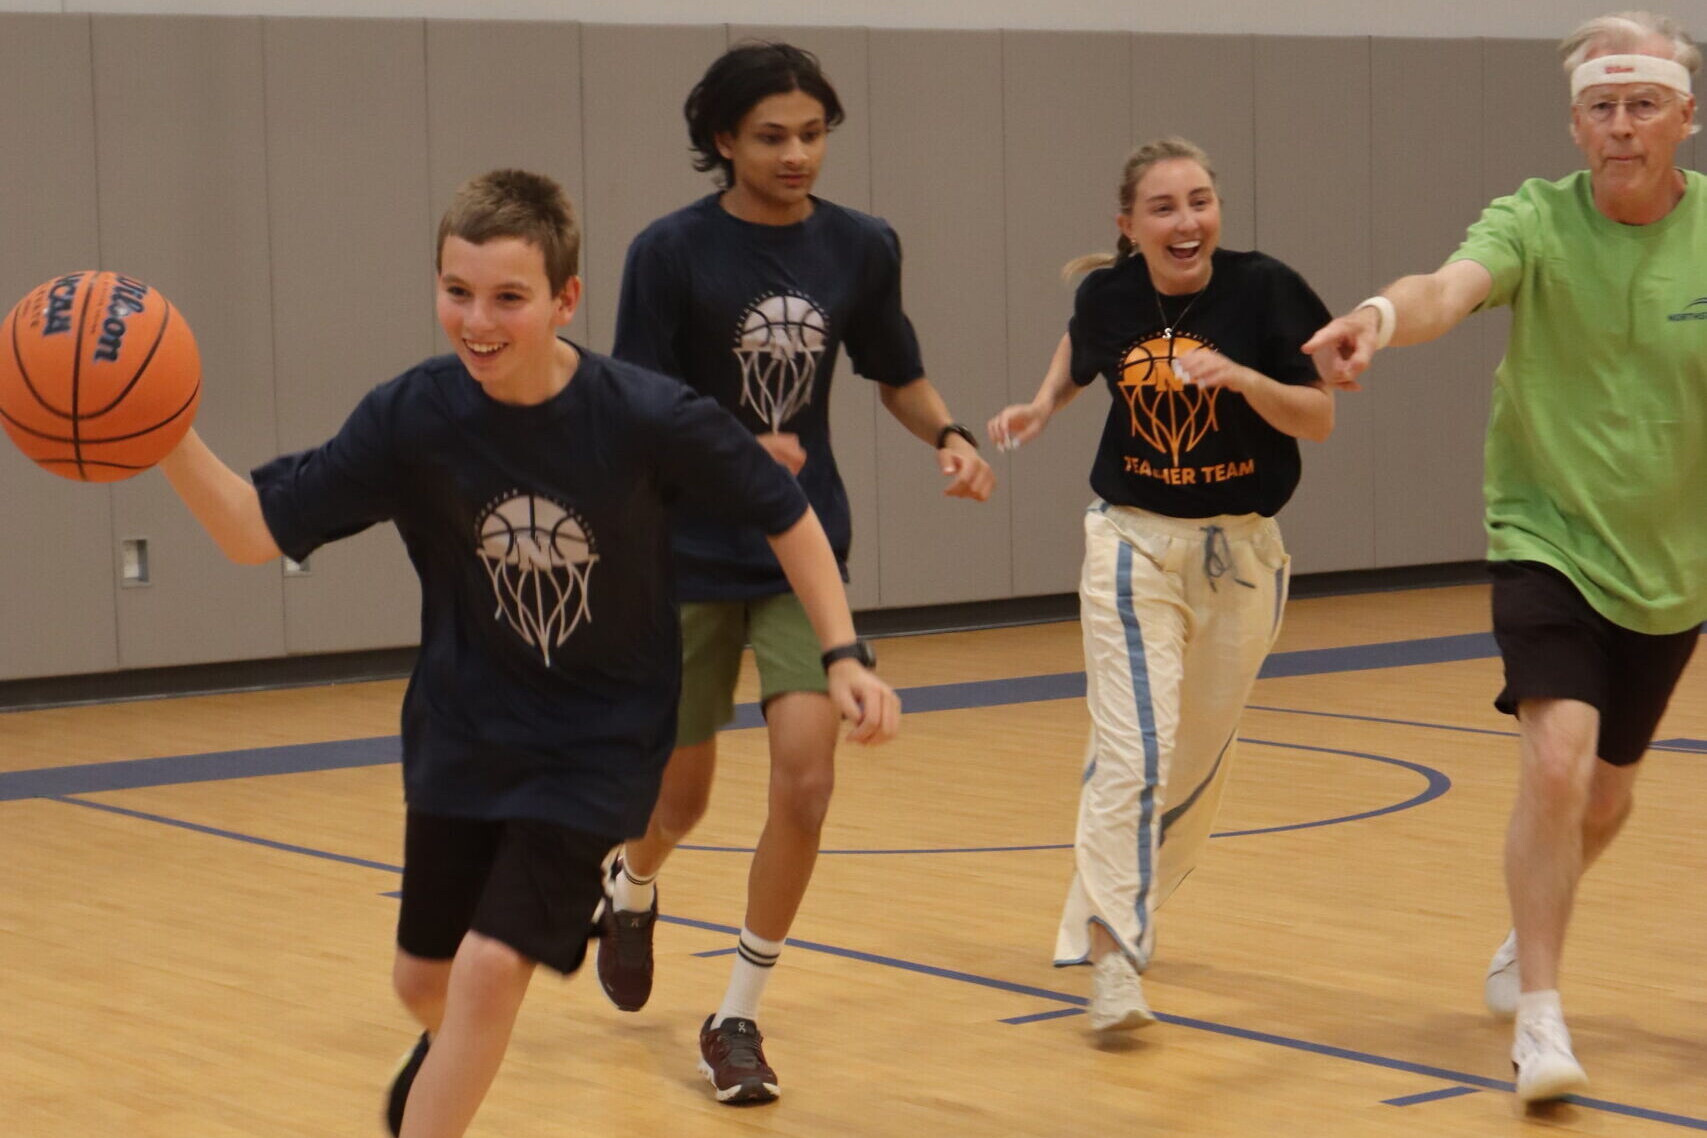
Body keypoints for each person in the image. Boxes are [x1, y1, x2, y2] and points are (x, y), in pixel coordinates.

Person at [154, 169, 900, 1138]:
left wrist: (842, 652)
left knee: (489, 967)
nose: (478, 320)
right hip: (463, 735)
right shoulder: (412, 417)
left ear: (565, 300)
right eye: (457, 292)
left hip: (599, 741)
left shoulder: (643, 415)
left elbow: (785, 511)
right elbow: (255, 530)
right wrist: (162, 434)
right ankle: (446, 1048)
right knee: (425, 981)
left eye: (509, 297)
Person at [1305, 10, 1704, 1105]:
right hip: (1548, 536)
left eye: (1643, 105)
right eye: (1601, 108)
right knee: (1558, 762)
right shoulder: (1534, 218)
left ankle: (1525, 924)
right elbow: (1452, 287)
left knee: (1608, 800)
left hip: (1673, 563)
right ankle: (1539, 1017)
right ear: (1576, 125)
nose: (1622, 127)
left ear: (1688, 116)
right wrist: (1382, 316)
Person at [598, 40, 994, 1104]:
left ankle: (735, 1015)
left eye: (812, 134)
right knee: (681, 794)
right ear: (722, 141)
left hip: (795, 549)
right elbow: (636, 410)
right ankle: (632, 883)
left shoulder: (860, 248)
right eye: (771, 136)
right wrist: (726, 446)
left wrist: (948, 434)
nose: (796, 154)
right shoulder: (668, 253)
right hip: (682, 554)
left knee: (808, 780)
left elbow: (894, 371)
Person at [987, 138, 1335, 1036]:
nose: (1187, 222)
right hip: (1132, 541)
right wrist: (1041, 403)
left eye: (1200, 202)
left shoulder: (1265, 291)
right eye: (1165, 208)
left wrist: (1244, 377)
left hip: (1243, 553)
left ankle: (1105, 914)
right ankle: (1112, 961)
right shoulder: (1109, 293)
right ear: (1128, 225)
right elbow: (1083, 342)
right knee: (1131, 751)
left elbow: (1320, 416)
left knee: (1194, 763)